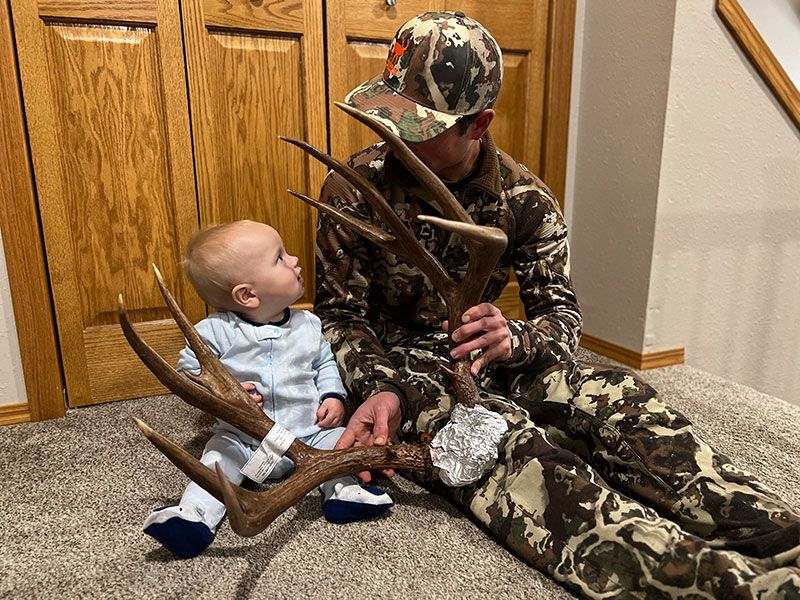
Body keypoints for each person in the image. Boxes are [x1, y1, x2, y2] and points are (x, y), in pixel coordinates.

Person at [314, 11, 800, 599]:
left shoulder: (526, 200)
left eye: (419, 125)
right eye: (392, 113)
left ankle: (781, 535)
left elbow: (563, 322)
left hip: (493, 356)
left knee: (622, 402)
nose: (395, 134)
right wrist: (386, 388)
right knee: (516, 459)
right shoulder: (352, 186)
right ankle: (736, 590)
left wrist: (514, 339)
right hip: (405, 373)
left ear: (479, 124)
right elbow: (341, 316)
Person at [143, 220, 392, 559]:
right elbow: (189, 374)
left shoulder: (309, 324)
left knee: (343, 443)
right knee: (216, 459)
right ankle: (195, 516)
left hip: (309, 434)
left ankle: (343, 493)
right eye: (280, 258)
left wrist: (333, 396)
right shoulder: (216, 331)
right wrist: (222, 391)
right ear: (247, 294)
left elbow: (325, 366)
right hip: (243, 439)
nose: (295, 260)